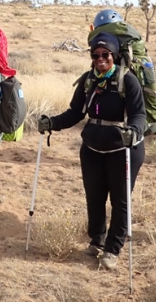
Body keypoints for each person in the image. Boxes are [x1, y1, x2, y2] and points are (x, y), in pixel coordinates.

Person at [37, 32, 146, 270]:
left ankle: (113, 249)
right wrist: (51, 123)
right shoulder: (89, 80)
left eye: (105, 54)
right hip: (92, 148)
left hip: (123, 148)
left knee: (120, 201)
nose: (100, 58)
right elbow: (75, 112)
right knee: (94, 197)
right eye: (95, 55)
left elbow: (139, 114)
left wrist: (134, 132)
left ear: (114, 56)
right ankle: (97, 241)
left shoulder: (128, 81)